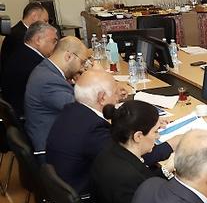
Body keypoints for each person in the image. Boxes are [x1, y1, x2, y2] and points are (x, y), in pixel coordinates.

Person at [45, 71, 174, 193]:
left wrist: (148, 122)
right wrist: (171, 144)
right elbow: (131, 157)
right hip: (91, 194)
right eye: (115, 92)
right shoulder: (94, 130)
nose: (119, 97)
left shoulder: (73, 110)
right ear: (102, 98)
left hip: (68, 181)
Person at [90, 100, 174, 203]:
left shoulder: (111, 151)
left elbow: (145, 180)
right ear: (138, 136)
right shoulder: (128, 177)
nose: (158, 136)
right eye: (155, 131)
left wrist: (166, 169)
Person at [24, 36, 88, 152]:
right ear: (68, 56)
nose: (82, 68)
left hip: (53, 136)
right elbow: (81, 110)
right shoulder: (49, 81)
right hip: (52, 149)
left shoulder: (46, 69)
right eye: (82, 62)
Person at [1, 22, 58, 116]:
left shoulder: (20, 52)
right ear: (38, 40)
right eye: (54, 41)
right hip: (29, 114)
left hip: (15, 107)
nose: (56, 45)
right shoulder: (38, 64)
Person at [0, 2, 48, 71]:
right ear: (34, 16)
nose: (47, 25)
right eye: (45, 21)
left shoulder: (20, 31)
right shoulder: (19, 35)